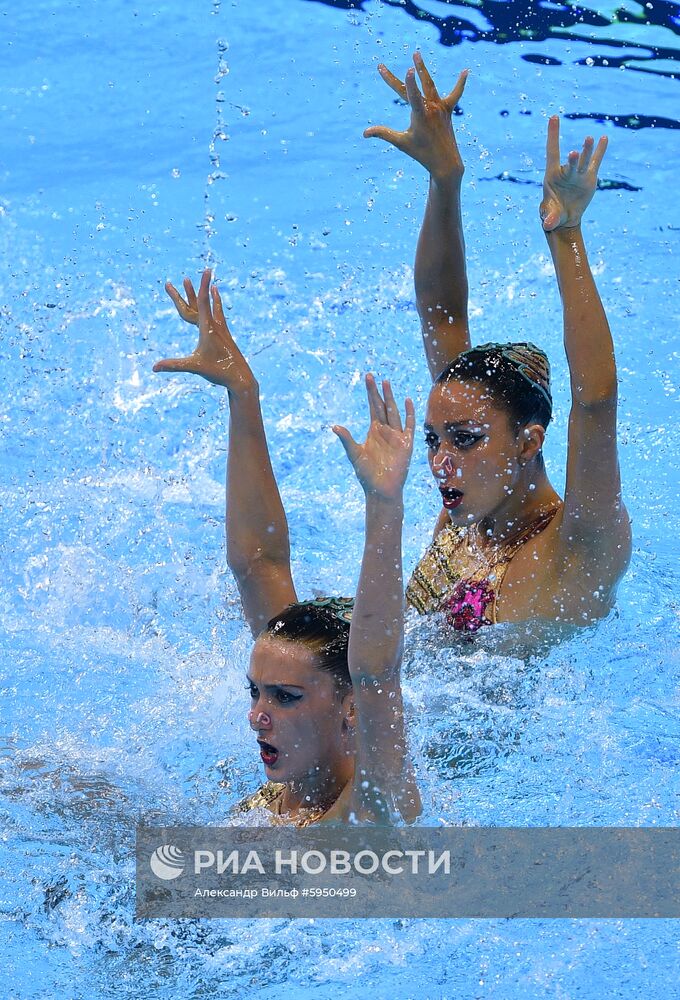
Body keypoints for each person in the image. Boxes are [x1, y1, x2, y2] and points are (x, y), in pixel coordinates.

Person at [364, 53, 631, 631]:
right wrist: (443, 181)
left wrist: (566, 236)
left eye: (463, 440)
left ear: (528, 442)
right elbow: (442, 315)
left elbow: (596, 401)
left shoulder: (578, 549)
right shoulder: (468, 510)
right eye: (435, 439)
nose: (438, 463)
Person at [154, 271, 421, 825]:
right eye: (257, 693)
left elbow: (375, 673)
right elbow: (257, 563)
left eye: (284, 697)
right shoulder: (288, 789)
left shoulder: (372, 812)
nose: (257, 717)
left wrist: (384, 506)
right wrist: (242, 393)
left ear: (351, 712)